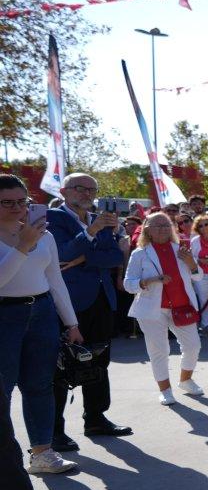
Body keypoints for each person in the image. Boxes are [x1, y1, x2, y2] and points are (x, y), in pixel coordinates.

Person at [0, 174, 82, 474]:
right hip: (4, 315)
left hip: (42, 312)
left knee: (39, 385)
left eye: (22, 202)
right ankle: (7, 465)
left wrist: (71, 322)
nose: (17, 208)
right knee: (2, 390)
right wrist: (22, 246)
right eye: (7, 202)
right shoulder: (30, 238)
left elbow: (55, 279)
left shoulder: (43, 235)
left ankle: (42, 453)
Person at [47, 172, 130, 452]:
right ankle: (54, 431)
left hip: (101, 300)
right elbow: (61, 254)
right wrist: (90, 237)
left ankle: (95, 418)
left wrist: (83, 257)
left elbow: (115, 257)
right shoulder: (52, 218)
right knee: (62, 366)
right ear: (63, 191)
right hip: (69, 302)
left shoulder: (100, 219)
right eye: (79, 188)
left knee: (99, 361)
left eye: (91, 189)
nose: (86, 194)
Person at [124, 212, 205, 406]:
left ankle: (185, 380)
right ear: (147, 230)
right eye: (157, 225)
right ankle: (165, 390)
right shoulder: (140, 253)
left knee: (193, 346)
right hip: (152, 310)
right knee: (159, 350)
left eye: (166, 225)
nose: (163, 229)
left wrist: (191, 263)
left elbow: (198, 277)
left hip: (181, 306)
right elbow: (128, 284)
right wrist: (149, 281)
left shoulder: (181, 249)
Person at [188, 214, 208, 333]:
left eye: (206, 224)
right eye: (200, 226)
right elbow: (191, 257)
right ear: (197, 228)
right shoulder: (195, 241)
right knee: (205, 301)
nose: (204, 227)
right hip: (202, 276)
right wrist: (199, 260)